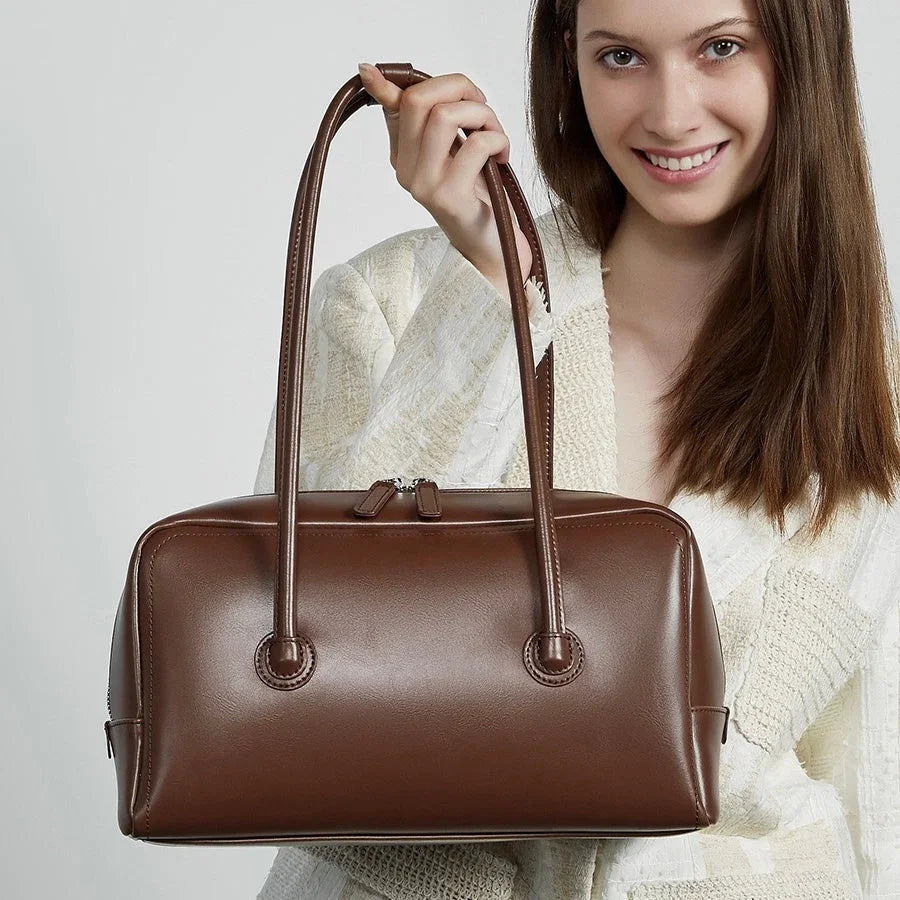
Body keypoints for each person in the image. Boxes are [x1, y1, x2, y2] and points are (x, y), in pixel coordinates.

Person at [254, 0, 900, 896]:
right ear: (570, 62)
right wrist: (494, 297)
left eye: (720, 48)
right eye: (622, 57)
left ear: (802, 56)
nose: (672, 113)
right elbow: (309, 658)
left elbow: (875, 782)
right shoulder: (392, 303)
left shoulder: (875, 395)